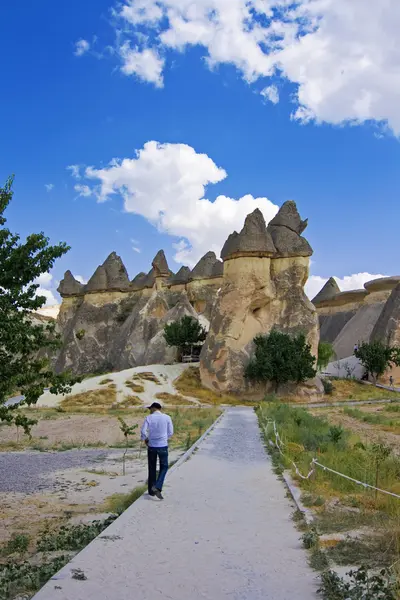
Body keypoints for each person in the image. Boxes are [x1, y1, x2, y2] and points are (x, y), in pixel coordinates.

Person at [141, 402, 173, 500]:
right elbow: (171, 432)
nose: (149, 410)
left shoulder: (149, 418)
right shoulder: (167, 417)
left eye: (150, 408)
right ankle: (158, 486)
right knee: (164, 466)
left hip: (152, 446)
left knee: (152, 468)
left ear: (154, 408)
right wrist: (164, 439)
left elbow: (143, 431)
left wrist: (146, 439)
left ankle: (151, 491)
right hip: (163, 445)